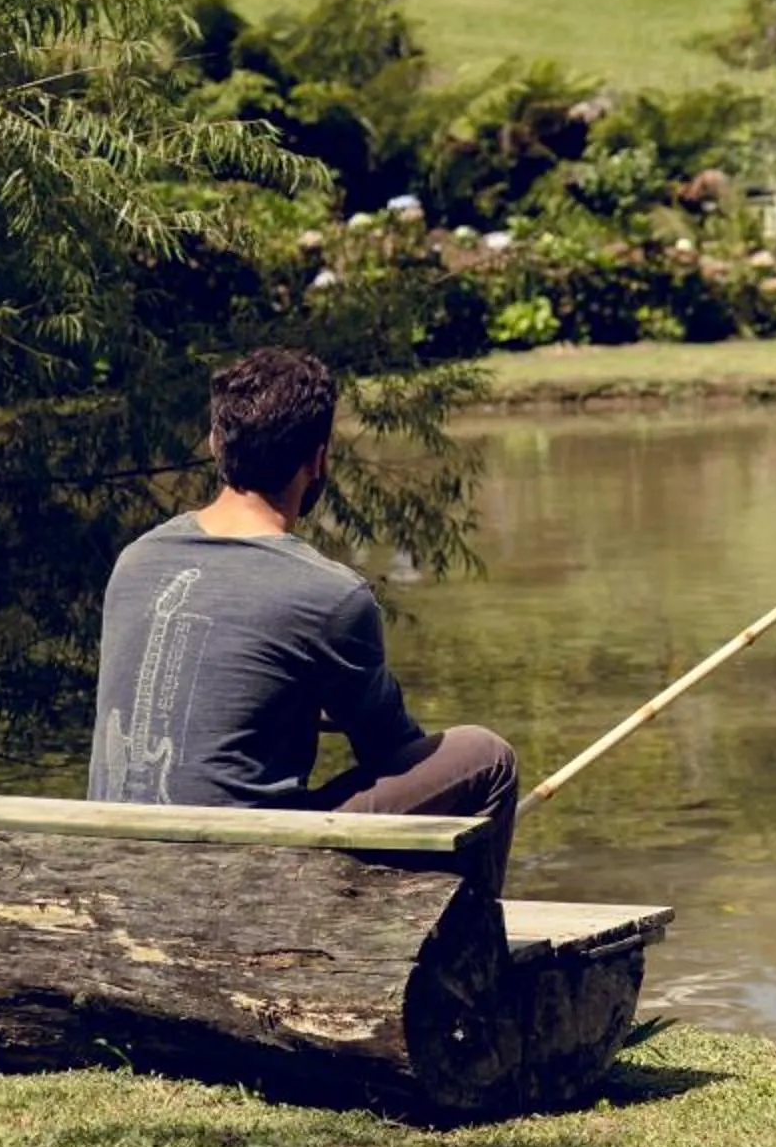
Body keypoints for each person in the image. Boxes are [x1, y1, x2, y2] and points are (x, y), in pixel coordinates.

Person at [87, 346, 518, 879]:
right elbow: (390, 747)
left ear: (217, 440)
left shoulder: (136, 560)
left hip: (117, 865)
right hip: (241, 877)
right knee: (484, 756)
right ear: (317, 460)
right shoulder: (329, 595)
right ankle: (472, 954)